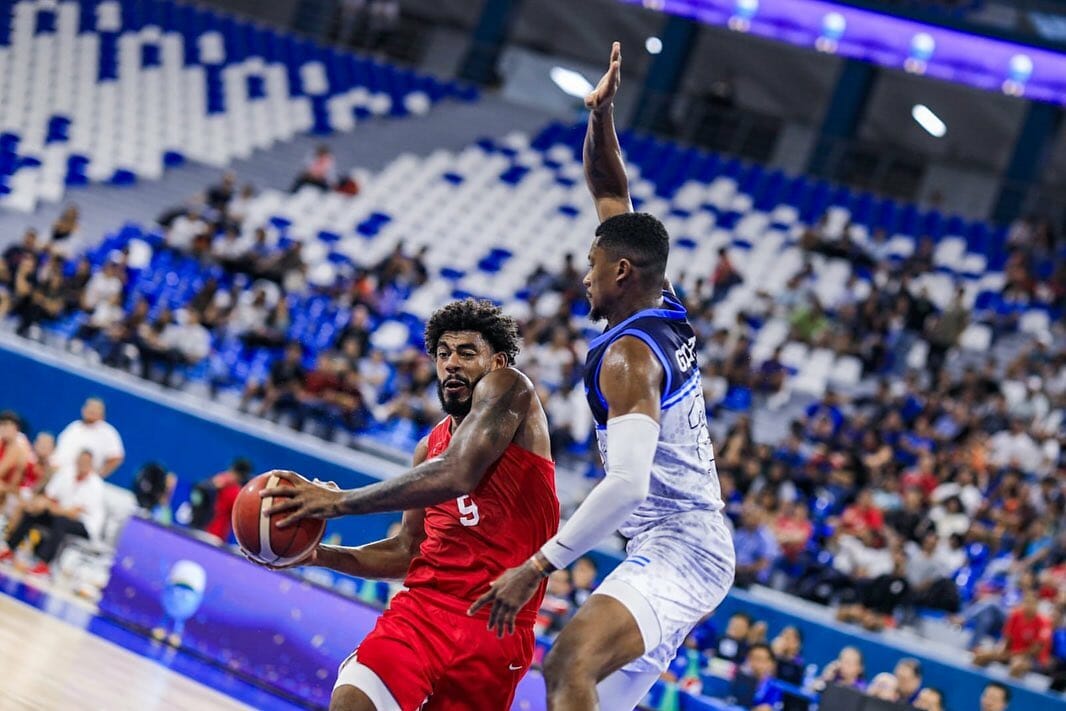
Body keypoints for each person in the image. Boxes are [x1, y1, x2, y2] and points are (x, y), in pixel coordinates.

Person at [469, 42, 734, 710]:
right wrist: (601, 115)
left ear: (620, 273)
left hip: (681, 545)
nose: (583, 272)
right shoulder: (660, 301)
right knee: (589, 694)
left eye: (591, 261)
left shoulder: (630, 355)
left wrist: (538, 566)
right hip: (675, 541)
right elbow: (611, 188)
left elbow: (627, 482)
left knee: (565, 665)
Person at [253, 298, 559, 711]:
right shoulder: (427, 450)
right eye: (443, 353)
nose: (451, 363)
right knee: (352, 702)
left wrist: (337, 502)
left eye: (467, 353)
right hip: (422, 613)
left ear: (498, 362)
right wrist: (317, 555)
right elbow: (405, 553)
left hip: (496, 629)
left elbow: (459, 472)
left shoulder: (512, 389)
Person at [0, 450, 105, 576]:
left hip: (84, 525)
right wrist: (42, 505)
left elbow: (74, 514)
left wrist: (50, 506)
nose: (83, 464)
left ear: (91, 465)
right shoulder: (66, 473)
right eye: (81, 460)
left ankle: (44, 564)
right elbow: (48, 496)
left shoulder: (96, 485)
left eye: (86, 462)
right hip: (58, 513)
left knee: (61, 522)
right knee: (32, 512)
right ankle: (10, 549)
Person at [53, 398, 125, 478]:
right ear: (83, 409)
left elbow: (116, 458)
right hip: (57, 475)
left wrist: (98, 476)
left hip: (79, 481)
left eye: (95, 409)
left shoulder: (107, 432)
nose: (91, 411)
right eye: (89, 408)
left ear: (102, 414)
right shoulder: (74, 427)